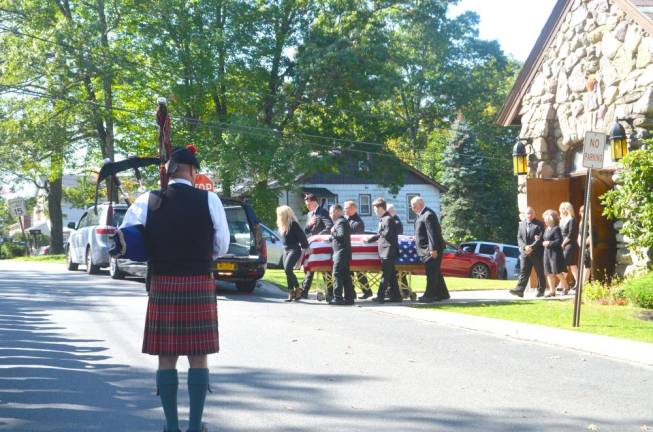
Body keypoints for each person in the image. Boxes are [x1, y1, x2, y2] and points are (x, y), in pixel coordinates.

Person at [120, 145, 230, 432]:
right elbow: (222, 245)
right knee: (198, 355)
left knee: (166, 357)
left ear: (169, 172)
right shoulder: (210, 200)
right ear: (192, 171)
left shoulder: (148, 200)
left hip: (163, 282)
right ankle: (194, 427)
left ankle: (171, 427)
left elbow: (128, 238)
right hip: (198, 280)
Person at [410, 196, 450, 303]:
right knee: (435, 272)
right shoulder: (422, 215)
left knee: (431, 273)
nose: (412, 208)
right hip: (427, 249)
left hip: (431, 249)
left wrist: (433, 249)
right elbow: (423, 231)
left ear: (420, 205)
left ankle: (429, 296)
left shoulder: (428, 215)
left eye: (414, 206)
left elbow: (432, 234)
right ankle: (443, 294)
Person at [366, 198, 401, 303]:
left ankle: (380, 296)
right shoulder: (384, 219)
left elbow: (387, 234)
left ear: (381, 208)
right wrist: (371, 238)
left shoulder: (388, 219)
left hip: (388, 251)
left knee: (385, 275)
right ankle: (396, 296)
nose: (374, 212)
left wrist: (377, 235)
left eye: (375, 209)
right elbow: (382, 234)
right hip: (386, 251)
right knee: (391, 275)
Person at [300, 194, 334, 299]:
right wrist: (309, 224)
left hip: (322, 244)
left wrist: (318, 237)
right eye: (306, 204)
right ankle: (304, 291)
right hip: (313, 245)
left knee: (325, 269)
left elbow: (329, 226)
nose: (307, 206)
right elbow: (306, 231)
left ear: (314, 202)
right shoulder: (310, 214)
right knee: (310, 267)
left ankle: (330, 293)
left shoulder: (322, 212)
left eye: (309, 204)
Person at [510, 206, 547, 298]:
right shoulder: (521, 224)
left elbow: (541, 237)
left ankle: (541, 290)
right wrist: (524, 247)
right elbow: (519, 238)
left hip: (537, 252)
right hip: (525, 253)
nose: (529, 215)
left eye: (531, 213)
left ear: (534, 214)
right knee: (524, 272)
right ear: (525, 214)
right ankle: (519, 290)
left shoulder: (539, 224)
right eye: (528, 213)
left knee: (539, 272)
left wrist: (532, 247)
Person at [276, 205, 309, 302]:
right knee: (287, 271)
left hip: (294, 250)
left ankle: (298, 288)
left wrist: (306, 247)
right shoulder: (282, 225)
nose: (278, 216)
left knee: (288, 269)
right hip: (285, 249)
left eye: (280, 214)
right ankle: (291, 292)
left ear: (285, 214)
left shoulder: (293, 224)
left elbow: (302, 237)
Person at [343, 200, 372, 299]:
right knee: (350, 273)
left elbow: (357, 238)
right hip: (348, 250)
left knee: (360, 272)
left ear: (352, 209)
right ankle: (352, 292)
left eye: (346, 208)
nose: (344, 210)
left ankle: (367, 291)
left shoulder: (358, 222)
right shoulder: (347, 219)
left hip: (355, 251)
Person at [328, 204, 355, 305]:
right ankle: (349, 298)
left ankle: (338, 297)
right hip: (342, 252)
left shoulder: (341, 222)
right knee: (345, 275)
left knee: (337, 274)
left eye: (331, 212)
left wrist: (332, 232)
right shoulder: (341, 222)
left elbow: (341, 235)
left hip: (341, 253)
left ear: (336, 211)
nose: (330, 215)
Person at [542, 209, 568, 297]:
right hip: (547, 253)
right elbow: (545, 238)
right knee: (549, 273)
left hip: (555, 254)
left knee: (557, 272)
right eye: (545, 220)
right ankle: (552, 291)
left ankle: (566, 287)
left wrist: (549, 243)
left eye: (547, 220)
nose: (545, 221)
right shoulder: (546, 229)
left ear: (551, 220)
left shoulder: (556, 229)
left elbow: (559, 240)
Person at [559, 201, 579, 289]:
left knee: (565, 264)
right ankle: (579, 283)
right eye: (562, 208)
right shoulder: (561, 220)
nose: (564, 210)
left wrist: (563, 243)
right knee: (572, 265)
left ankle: (561, 285)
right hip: (563, 244)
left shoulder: (572, 219)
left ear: (569, 209)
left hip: (569, 245)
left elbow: (570, 234)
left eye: (565, 208)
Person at [577, 205, 593, 287]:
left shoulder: (589, 222)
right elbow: (579, 235)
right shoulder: (581, 222)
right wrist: (580, 242)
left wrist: (585, 243)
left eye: (585, 211)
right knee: (584, 266)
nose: (584, 213)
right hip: (583, 246)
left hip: (588, 246)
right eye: (582, 212)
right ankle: (583, 285)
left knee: (587, 266)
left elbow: (591, 234)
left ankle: (583, 285)